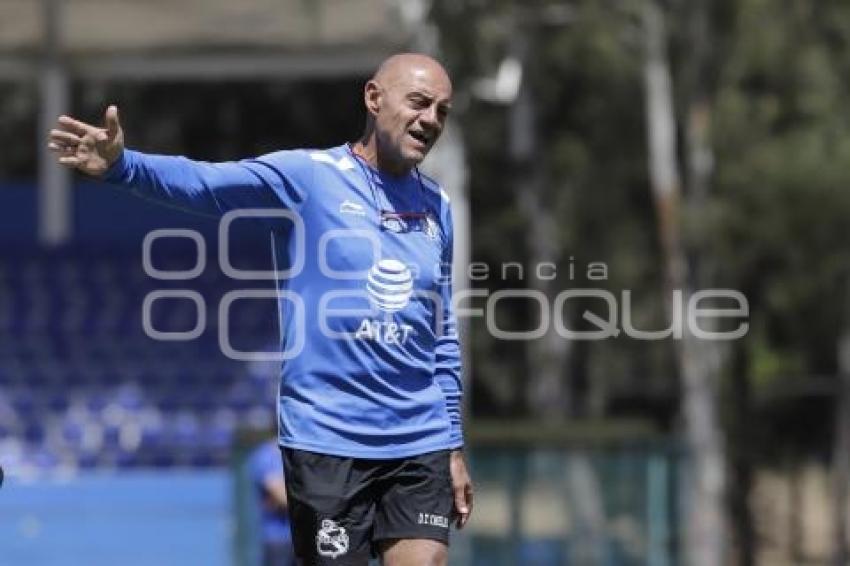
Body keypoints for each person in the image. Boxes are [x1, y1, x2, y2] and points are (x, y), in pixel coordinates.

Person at [48, 53, 473, 565]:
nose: (430, 120)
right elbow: (207, 185)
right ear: (373, 98)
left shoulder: (438, 207)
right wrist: (123, 166)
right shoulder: (308, 177)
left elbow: (441, 335)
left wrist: (451, 444)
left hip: (418, 439)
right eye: (420, 103)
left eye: (442, 111)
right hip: (328, 438)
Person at [248, 438, 295, 566]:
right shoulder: (265, 456)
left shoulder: (301, 454)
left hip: (304, 539)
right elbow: (281, 497)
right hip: (278, 540)